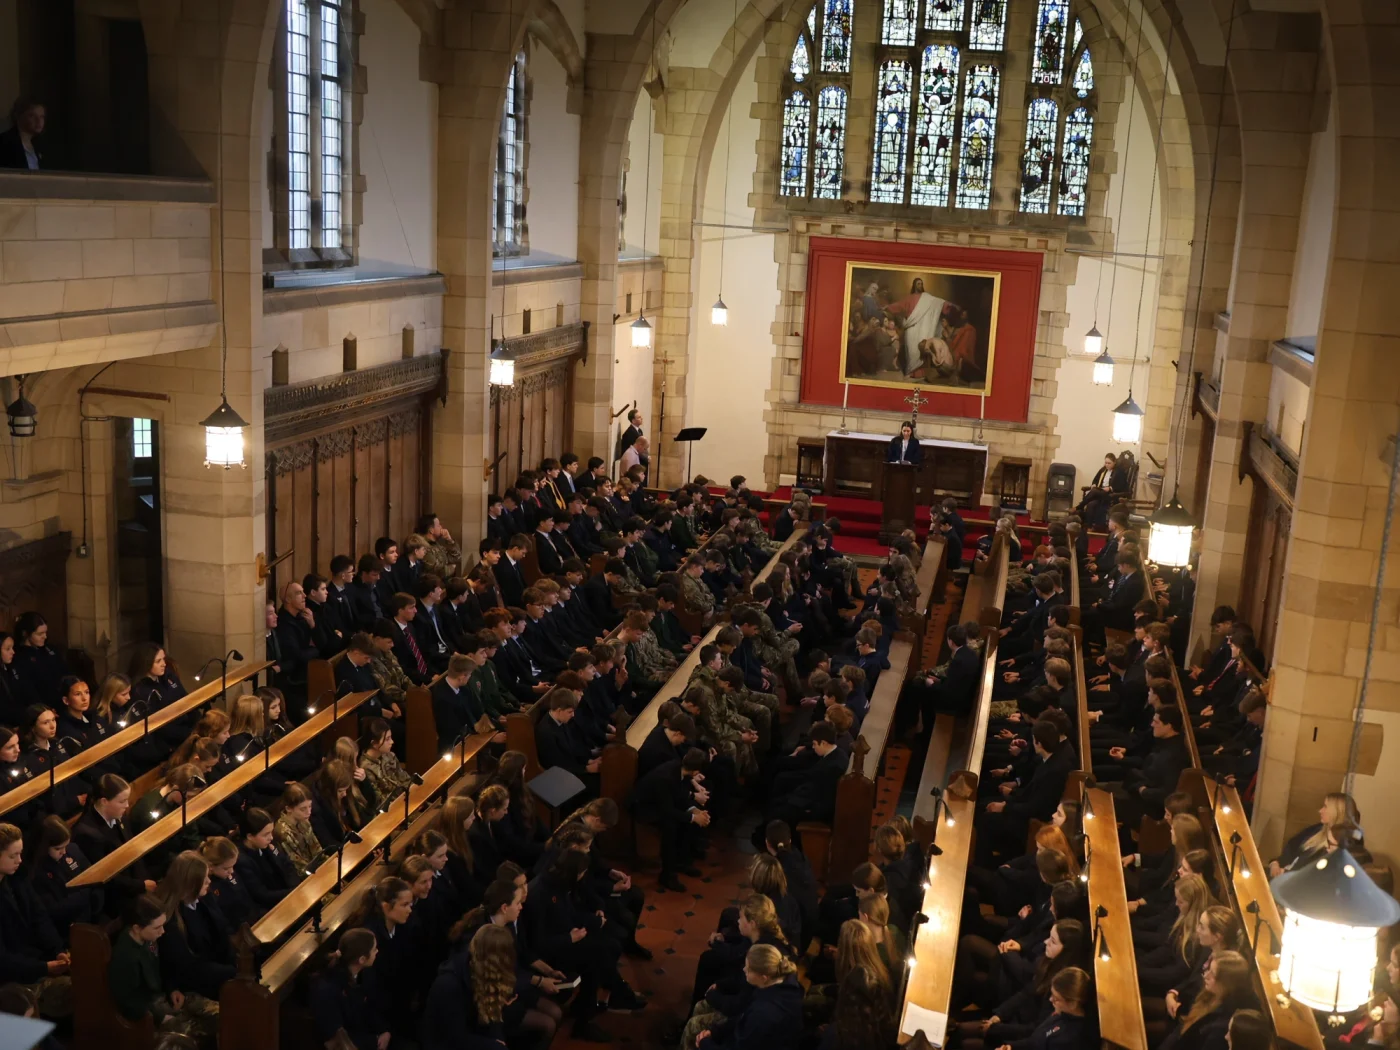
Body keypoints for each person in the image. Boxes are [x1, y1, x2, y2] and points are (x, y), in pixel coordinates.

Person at [108, 894, 221, 1045]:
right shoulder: (125, 957)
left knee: (222, 1015)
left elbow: (163, 967)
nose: (162, 932)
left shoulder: (149, 939)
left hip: (166, 998)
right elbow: (129, 1001)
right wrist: (159, 1017)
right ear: (136, 928)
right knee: (191, 1039)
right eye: (157, 927)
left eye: (163, 925)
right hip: (150, 1014)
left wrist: (172, 988)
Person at [0, 822, 70, 1018]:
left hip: (35, 959)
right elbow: (2, 958)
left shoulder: (16, 877)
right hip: (11, 977)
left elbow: (40, 917)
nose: (20, 860)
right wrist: (44, 967)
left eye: (20, 853)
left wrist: (57, 950)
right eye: (13, 856)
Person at [692, 943, 802, 1050]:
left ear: (763, 978)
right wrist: (716, 1032)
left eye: (748, 969)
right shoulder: (783, 982)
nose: (744, 970)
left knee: (694, 1033)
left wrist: (705, 1044)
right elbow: (743, 1017)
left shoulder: (764, 1013)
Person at [309, 926, 388, 1050]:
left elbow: (369, 1008)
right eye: (374, 949)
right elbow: (335, 1040)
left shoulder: (365, 974)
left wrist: (384, 1031)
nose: (377, 951)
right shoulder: (328, 989)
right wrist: (374, 1041)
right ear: (362, 959)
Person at [0, 99, 45, 170]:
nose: (39, 121)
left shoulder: (40, 144)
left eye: (42, 116)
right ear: (18, 116)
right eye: (32, 116)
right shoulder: (4, 142)